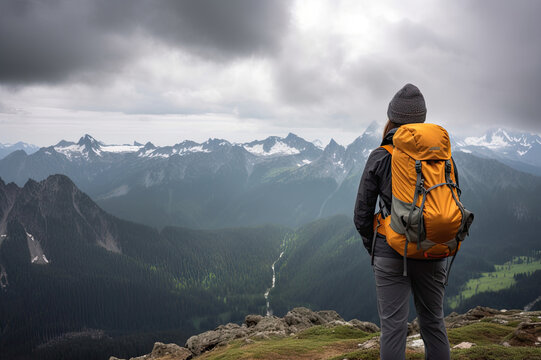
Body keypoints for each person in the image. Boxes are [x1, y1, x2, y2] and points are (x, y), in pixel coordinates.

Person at [353, 84, 451, 360]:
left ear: (391, 118)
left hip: (391, 252)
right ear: (421, 119)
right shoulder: (441, 157)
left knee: (393, 329)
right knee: (434, 323)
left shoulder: (381, 155)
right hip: (433, 250)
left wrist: (376, 246)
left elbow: (361, 214)